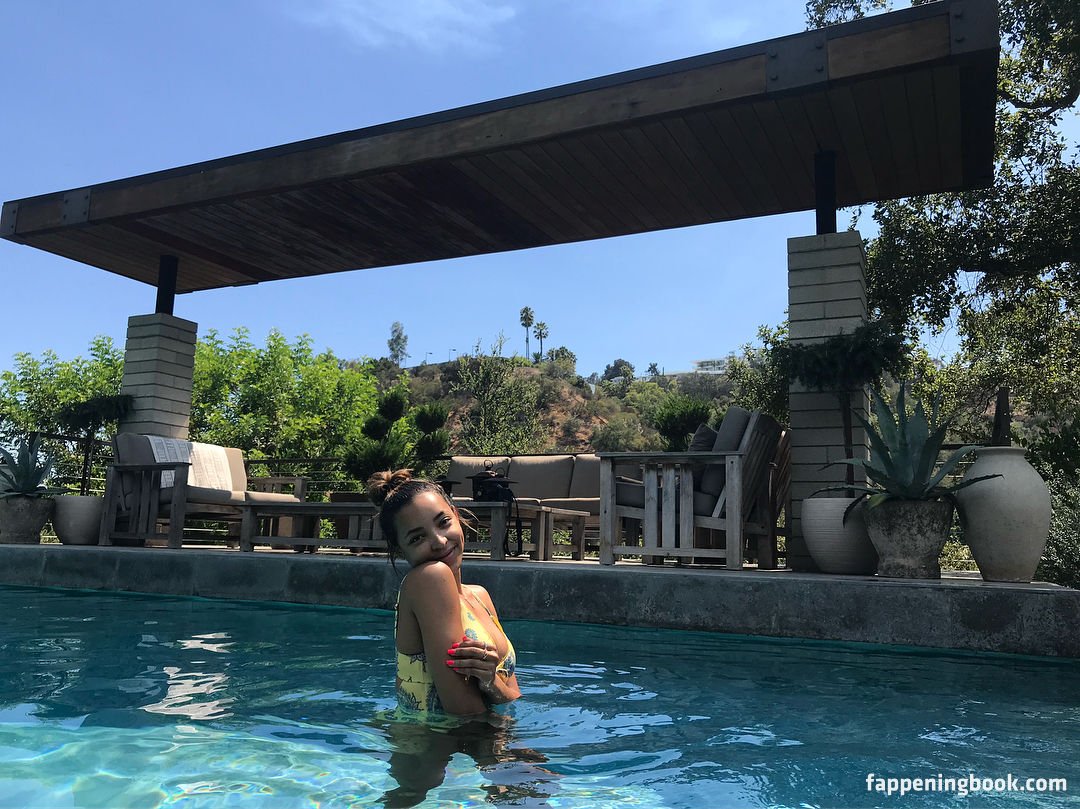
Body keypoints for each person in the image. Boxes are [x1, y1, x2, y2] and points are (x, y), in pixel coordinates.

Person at [367, 469, 521, 718]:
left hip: (481, 736)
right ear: (400, 550)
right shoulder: (429, 579)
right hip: (434, 741)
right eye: (417, 538)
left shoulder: (479, 596)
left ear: (456, 516)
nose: (439, 541)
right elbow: (463, 713)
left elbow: (512, 694)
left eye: (443, 522)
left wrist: (491, 681)